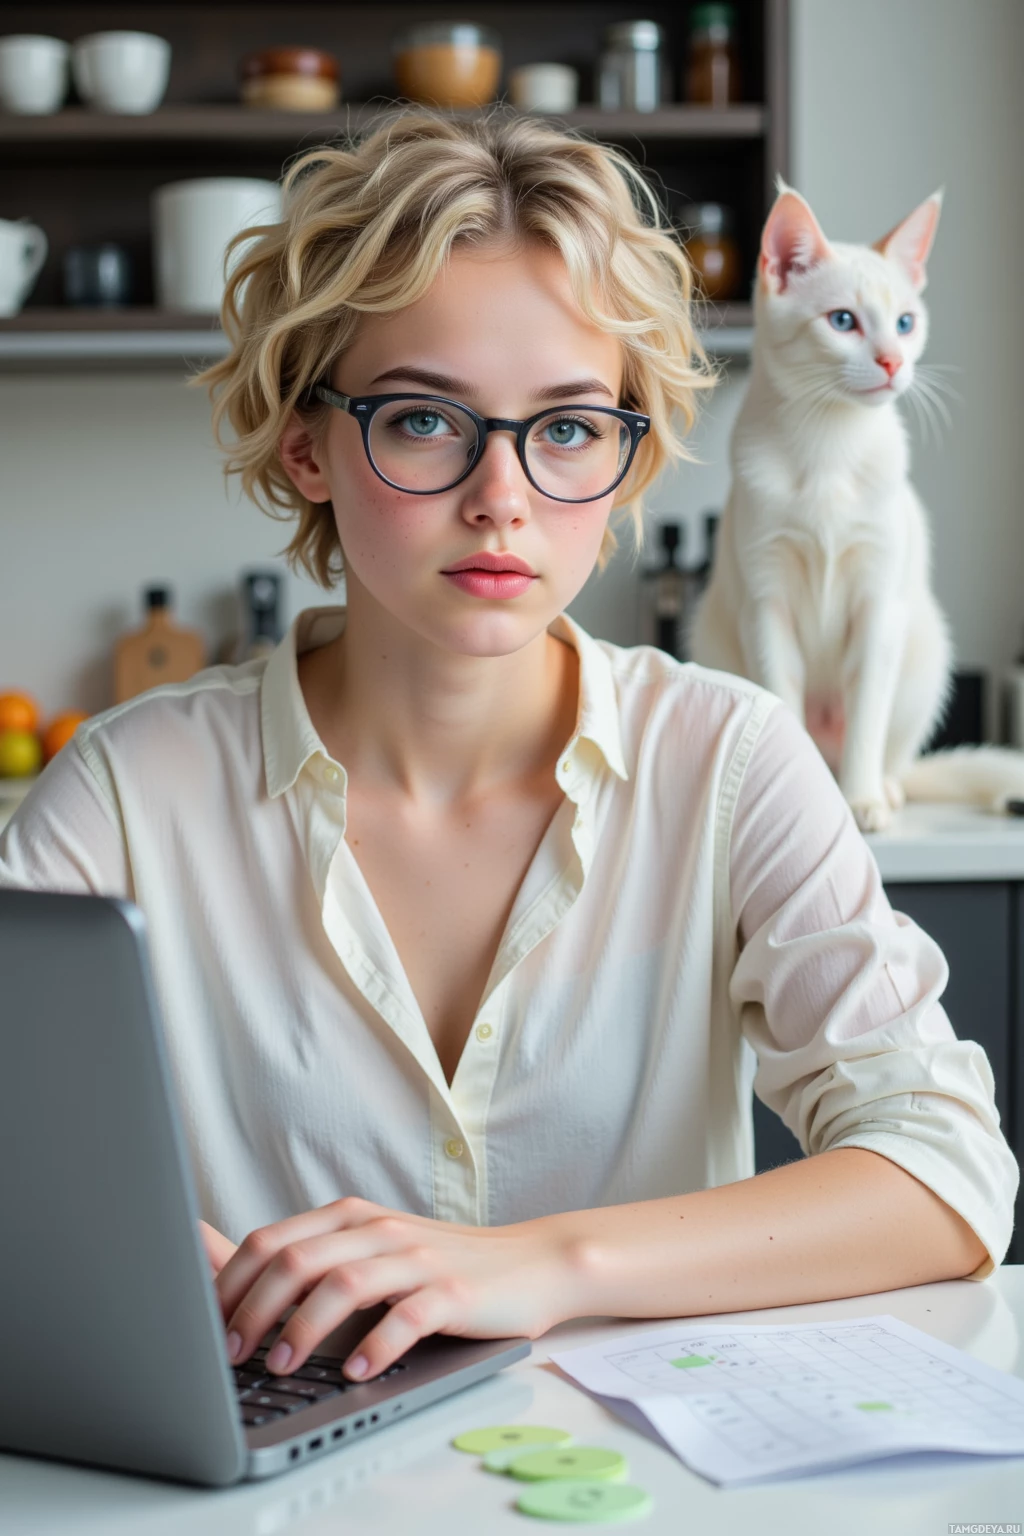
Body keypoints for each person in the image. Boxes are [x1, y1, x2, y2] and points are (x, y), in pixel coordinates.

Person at [1, 109, 1015, 1390]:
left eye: (571, 427)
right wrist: (163, 1269)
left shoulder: (730, 758)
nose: (504, 495)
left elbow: (946, 1171)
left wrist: (539, 1266)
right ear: (306, 444)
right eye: (425, 420)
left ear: (626, 461)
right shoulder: (128, 791)